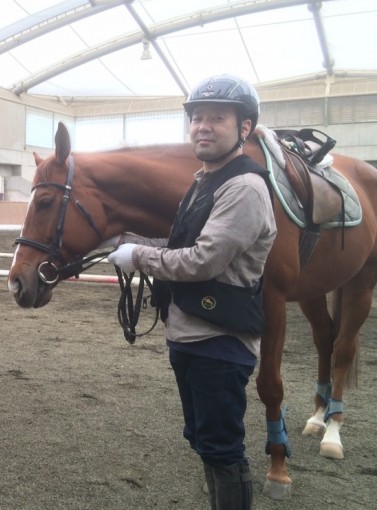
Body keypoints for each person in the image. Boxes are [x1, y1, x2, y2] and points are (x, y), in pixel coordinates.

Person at [106, 75, 277, 509]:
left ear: (244, 128)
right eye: (197, 118)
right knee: (204, 441)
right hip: (189, 335)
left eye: (217, 118)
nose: (203, 126)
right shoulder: (203, 181)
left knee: (222, 449)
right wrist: (130, 242)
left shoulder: (243, 188)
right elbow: (180, 244)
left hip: (219, 341)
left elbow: (203, 261)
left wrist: (138, 257)